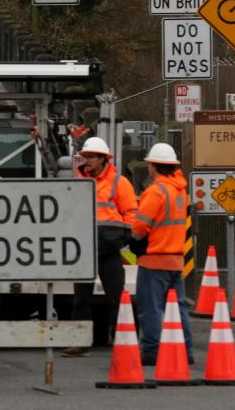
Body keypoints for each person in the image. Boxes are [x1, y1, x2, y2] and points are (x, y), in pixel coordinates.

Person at [62, 136, 137, 357]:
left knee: (118, 297)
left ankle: (121, 340)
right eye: (85, 156)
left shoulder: (119, 182)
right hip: (83, 248)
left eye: (92, 157)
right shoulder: (77, 181)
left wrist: (124, 238)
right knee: (80, 300)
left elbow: (131, 212)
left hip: (109, 249)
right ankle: (80, 342)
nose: (88, 160)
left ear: (104, 159)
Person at [130, 142, 193, 366]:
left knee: (151, 309)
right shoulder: (180, 191)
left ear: (153, 167)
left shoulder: (155, 191)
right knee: (178, 308)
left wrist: (132, 241)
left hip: (154, 259)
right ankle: (186, 350)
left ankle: (151, 351)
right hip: (176, 259)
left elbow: (139, 228)